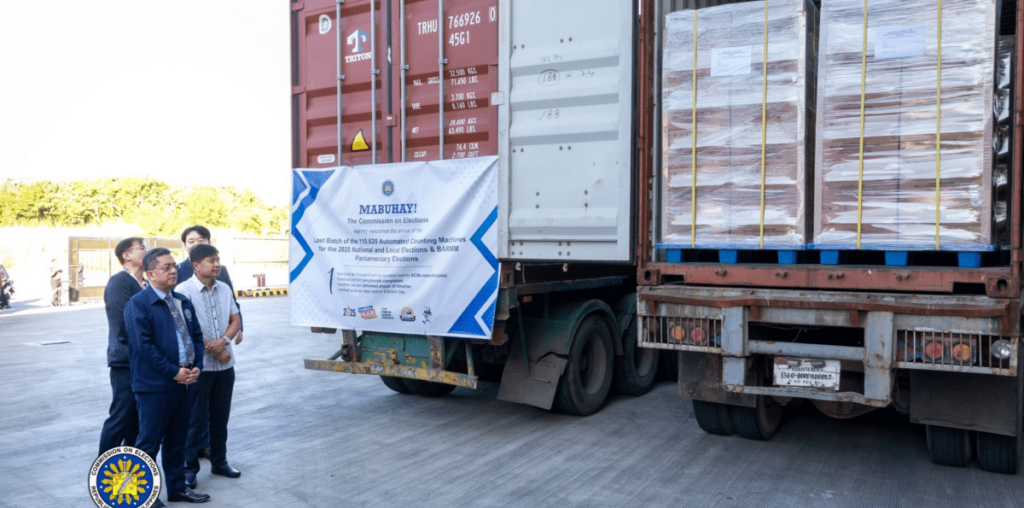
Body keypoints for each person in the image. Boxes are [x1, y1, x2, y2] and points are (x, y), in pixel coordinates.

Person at [125, 247, 210, 505]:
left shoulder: (182, 301)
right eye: (166, 267)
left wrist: (196, 366)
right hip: (155, 387)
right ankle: (142, 496)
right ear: (150, 274)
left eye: (174, 266)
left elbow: (195, 336)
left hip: (185, 385)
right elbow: (143, 347)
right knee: (148, 443)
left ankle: (177, 489)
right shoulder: (138, 305)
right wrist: (174, 372)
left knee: (177, 441)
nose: (174, 270)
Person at [176, 244, 242, 489]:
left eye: (218, 260)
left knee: (220, 417)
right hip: (199, 368)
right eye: (211, 261)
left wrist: (223, 342)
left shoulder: (224, 288)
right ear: (196, 265)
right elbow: (184, 328)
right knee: (194, 418)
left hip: (226, 366)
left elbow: (234, 319)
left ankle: (219, 461)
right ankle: (188, 469)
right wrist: (213, 348)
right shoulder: (183, 290)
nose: (217, 265)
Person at [97, 238, 147, 456]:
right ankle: (104, 467)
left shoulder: (143, 283)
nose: (147, 251)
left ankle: (129, 467)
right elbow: (125, 322)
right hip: (125, 359)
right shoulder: (119, 282)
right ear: (127, 256)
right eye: (142, 248)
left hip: (142, 359)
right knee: (122, 415)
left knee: (136, 419)